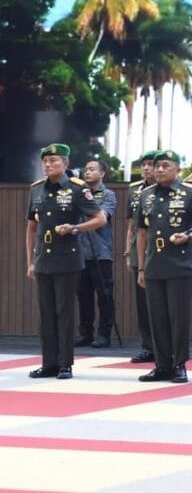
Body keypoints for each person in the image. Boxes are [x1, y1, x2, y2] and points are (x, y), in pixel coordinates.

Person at [136, 150, 192, 383]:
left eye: (166, 165)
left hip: (179, 264)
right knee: (157, 318)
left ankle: (179, 364)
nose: (160, 170)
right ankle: (162, 365)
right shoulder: (146, 195)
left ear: (177, 169)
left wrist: (189, 237)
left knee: (178, 317)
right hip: (153, 264)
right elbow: (141, 233)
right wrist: (140, 268)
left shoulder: (190, 193)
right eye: (157, 166)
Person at [25, 143, 106, 380]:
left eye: (54, 161)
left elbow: (99, 218)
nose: (48, 165)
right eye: (45, 161)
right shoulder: (36, 189)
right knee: (46, 313)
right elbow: (31, 228)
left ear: (66, 163)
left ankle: (65, 364)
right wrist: (30, 261)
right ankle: (49, 363)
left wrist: (75, 228)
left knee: (64, 312)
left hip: (67, 258)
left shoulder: (77, 188)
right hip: (43, 258)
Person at [76, 159, 118, 349]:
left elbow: (101, 217)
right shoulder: (78, 193)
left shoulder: (108, 195)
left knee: (104, 296)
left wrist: (86, 198)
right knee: (83, 295)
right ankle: (86, 333)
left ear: (102, 173)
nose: (87, 172)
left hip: (101, 252)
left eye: (92, 169)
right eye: (85, 169)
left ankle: (104, 334)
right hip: (80, 252)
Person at [125, 150, 158, 363]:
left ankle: (163, 347)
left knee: (160, 303)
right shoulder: (134, 190)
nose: (146, 168)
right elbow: (131, 226)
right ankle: (147, 347)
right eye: (144, 164)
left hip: (160, 250)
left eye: (150, 164)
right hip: (138, 250)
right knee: (142, 304)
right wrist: (128, 253)